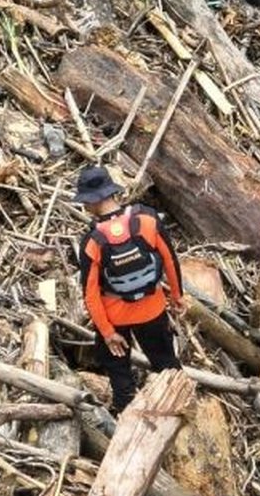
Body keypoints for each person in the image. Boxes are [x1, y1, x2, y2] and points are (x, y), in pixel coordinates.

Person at [73, 166, 185, 414]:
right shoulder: (147, 220)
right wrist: (177, 297)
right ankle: (179, 408)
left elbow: (90, 294)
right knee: (167, 365)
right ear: (111, 192)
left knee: (119, 372)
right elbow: (170, 261)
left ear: (91, 202)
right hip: (153, 310)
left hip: (114, 318)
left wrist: (108, 332)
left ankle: (125, 412)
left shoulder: (93, 241)